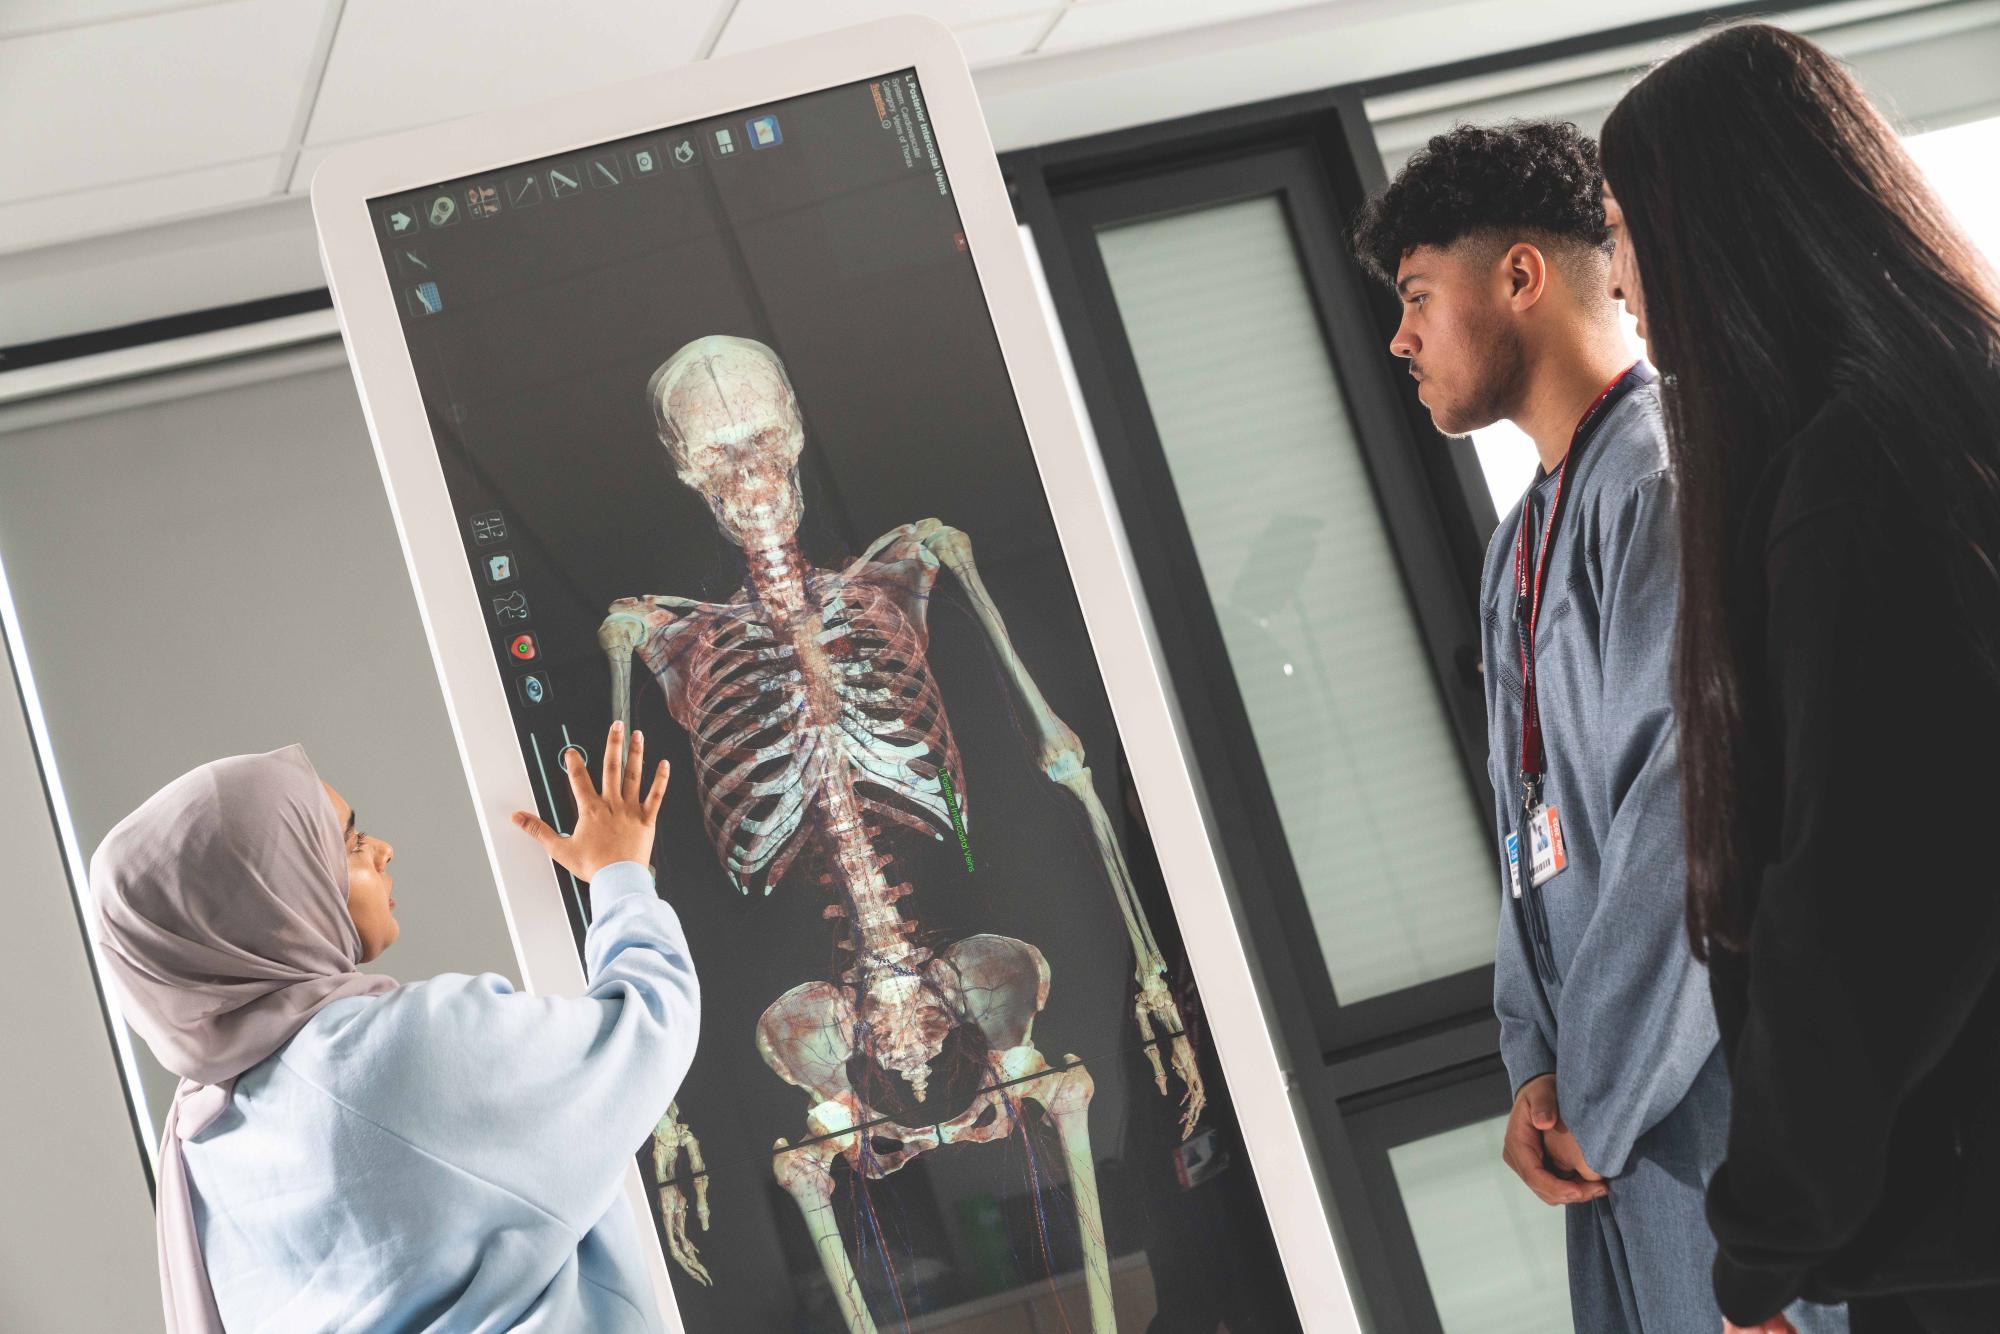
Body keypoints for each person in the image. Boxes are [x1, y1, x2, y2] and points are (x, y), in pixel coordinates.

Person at [1351, 122, 1838, 1333]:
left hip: (1713, 1105)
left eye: (1417, 296)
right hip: (1616, 1130)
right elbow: (1531, 836)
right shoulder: (1517, 542)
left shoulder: (1666, 478)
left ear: (1518, 277)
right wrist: (1531, 1062)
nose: (1400, 337)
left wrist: (1595, 1094)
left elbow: (1685, 810)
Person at [1599, 23, 2000, 1334]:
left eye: (1626, 231)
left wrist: (1765, 1240)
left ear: (1716, 229)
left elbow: (1874, 894)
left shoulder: (1855, 479)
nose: (1622, 282)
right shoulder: (1951, 413)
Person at [89, 720, 697, 1332]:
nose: (382, 849)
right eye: (348, 843)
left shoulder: (201, 1146)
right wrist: (621, 874)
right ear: (270, 896)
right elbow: (648, 1026)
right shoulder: (386, 1059)